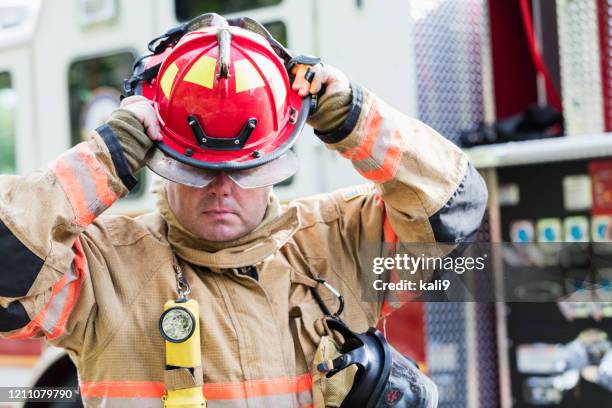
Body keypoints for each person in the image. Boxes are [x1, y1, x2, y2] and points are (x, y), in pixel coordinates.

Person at [0, 14, 487, 408]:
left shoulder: (336, 241)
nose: (221, 189)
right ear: (161, 160)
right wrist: (108, 155)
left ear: (276, 160)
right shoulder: (105, 271)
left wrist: (351, 114)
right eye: (198, 170)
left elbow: (453, 206)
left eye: (244, 170)